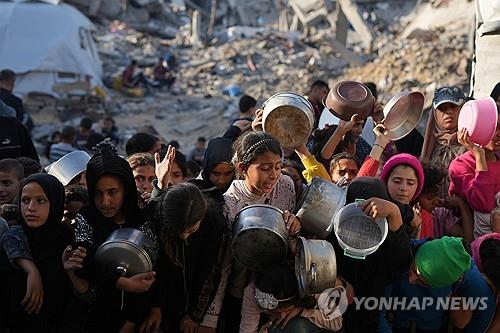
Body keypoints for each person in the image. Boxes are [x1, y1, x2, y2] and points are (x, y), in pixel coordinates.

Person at [63, 147, 155, 332]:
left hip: (140, 318)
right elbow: (84, 265)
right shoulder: (87, 217)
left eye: (113, 192)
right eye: (98, 193)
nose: (105, 201)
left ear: (126, 189)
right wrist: (122, 283)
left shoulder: (142, 219)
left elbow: (153, 269)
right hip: (97, 317)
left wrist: (132, 322)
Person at [140, 183, 229, 333]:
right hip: (161, 299)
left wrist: (196, 315)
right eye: (178, 231)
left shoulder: (214, 223)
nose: (184, 236)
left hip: (193, 301)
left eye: (191, 230)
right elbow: (156, 266)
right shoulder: (157, 214)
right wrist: (156, 306)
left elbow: (211, 273)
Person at [330, 177, 412, 333]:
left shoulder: (391, 230)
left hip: (372, 304)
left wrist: (394, 213)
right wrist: (337, 281)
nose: (363, 221)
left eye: (371, 214)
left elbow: (402, 262)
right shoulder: (333, 231)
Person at [0, 174, 75, 332]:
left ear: (55, 202)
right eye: (25, 200)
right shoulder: (12, 239)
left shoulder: (68, 242)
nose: (30, 208)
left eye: (41, 201)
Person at [392, 237, 496, 333]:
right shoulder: (409, 249)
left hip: (434, 321)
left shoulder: (469, 280)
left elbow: (481, 310)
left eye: (421, 281)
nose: (411, 279)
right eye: (414, 269)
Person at [240, 263, 350, 332]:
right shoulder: (252, 291)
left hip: (307, 318)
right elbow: (247, 330)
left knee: (297, 327)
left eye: (275, 311)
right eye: (266, 309)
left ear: (294, 301)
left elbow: (337, 323)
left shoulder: (311, 286)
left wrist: (302, 311)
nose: (269, 311)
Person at [449, 109, 500, 238]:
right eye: (495, 128)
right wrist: (479, 156)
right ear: (477, 129)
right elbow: (484, 204)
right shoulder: (460, 166)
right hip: (479, 246)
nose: (499, 134)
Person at [421, 86, 468, 198]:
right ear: (435, 114)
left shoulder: (472, 145)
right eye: (442, 108)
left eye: (453, 106)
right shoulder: (428, 148)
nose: (448, 112)